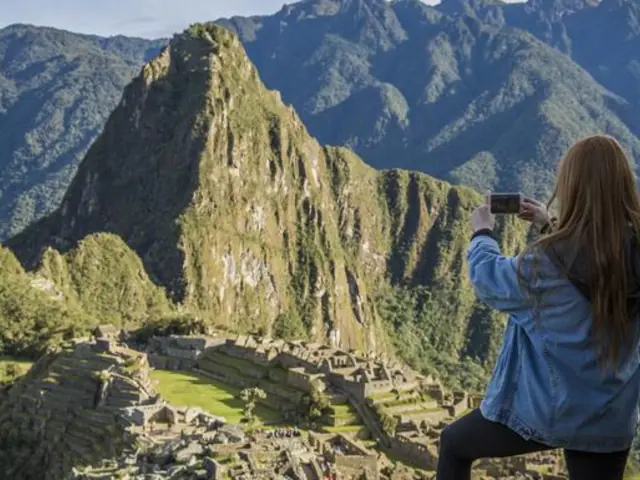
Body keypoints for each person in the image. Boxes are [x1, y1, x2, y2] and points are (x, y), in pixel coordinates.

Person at [436, 135, 640, 480]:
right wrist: (549, 225)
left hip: (550, 411)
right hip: (610, 416)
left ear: (572, 187)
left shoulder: (545, 262)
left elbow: (489, 279)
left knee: (454, 445)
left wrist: (481, 234)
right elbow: (596, 262)